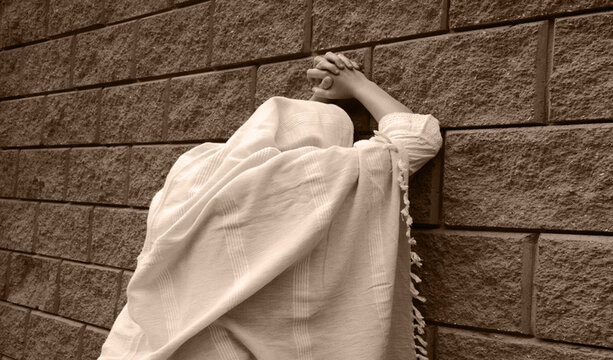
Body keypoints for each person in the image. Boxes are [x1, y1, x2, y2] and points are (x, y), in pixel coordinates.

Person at [99, 51, 441, 360]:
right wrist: (357, 85)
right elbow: (417, 138)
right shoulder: (298, 188)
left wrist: (315, 106)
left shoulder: (193, 179)